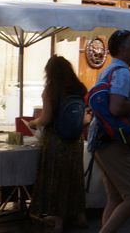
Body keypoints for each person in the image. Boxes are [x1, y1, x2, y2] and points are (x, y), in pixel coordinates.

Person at [88, 30, 130, 233]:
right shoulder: (122, 73)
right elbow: (116, 108)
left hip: (100, 136)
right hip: (114, 139)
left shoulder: (108, 70)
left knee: (115, 198)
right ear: (123, 49)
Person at [28, 56, 87, 232]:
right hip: (75, 140)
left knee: (57, 179)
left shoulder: (51, 90)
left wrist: (33, 123)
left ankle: (58, 222)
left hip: (56, 140)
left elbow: (46, 118)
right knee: (75, 177)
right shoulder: (79, 88)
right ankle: (80, 216)